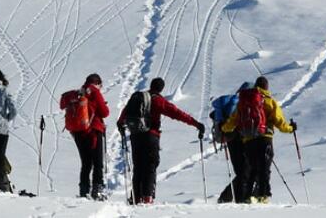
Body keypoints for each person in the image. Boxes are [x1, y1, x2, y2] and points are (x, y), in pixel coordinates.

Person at [117, 78, 205, 204]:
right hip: (150, 136)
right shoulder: (158, 100)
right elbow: (177, 113)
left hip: (135, 136)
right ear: (161, 88)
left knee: (138, 167)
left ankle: (136, 198)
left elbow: (124, 113)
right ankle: (147, 198)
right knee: (150, 166)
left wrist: (121, 124)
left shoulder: (139, 98)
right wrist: (196, 123)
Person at [222, 76, 295, 204]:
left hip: (249, 140)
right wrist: (291, 129)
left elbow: (234, 120)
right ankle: (263, 195)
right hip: (265, 138)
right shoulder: (269, 101)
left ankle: (248, 196)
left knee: (252, 168)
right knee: (264, 167)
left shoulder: (243, 101)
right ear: (266, 87)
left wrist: (224, 128)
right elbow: (280, 122)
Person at [60, 73, 109, 200]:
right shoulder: (94, 91)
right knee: (98, 162)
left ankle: (84, 190)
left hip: (78, 132)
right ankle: (97, 190)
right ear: (97, 83)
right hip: (93, 131)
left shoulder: (77, 93)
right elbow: (105, 112)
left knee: (86, 162)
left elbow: (62, 105)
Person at [211, 82, 251, 203]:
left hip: (230, 139)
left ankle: (232, 198)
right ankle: (234, 199)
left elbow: (212, 114)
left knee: (243, 171)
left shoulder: (232, 102)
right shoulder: (242, 103)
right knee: (245, 171)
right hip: (240, 139)